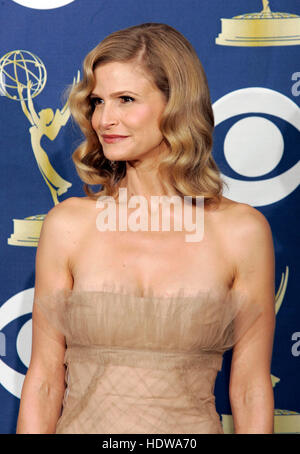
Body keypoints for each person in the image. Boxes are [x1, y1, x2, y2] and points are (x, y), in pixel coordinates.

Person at [16, 23, 275, 434]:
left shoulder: (241, 231)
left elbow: (249, 387)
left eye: (126, 100)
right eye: (98, 101)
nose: (105, 119)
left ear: (177, 105)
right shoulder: (69, 225)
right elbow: (45, 380)